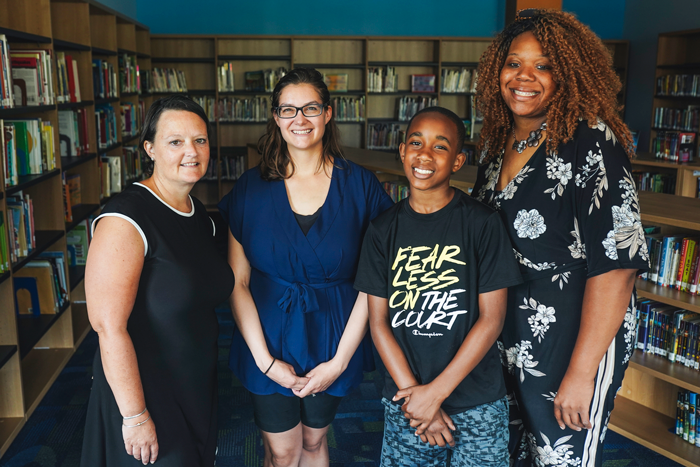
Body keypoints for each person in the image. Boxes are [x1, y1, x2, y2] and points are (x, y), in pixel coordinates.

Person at [472, 9, 649, 467]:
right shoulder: (496, 144)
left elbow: (619, 265)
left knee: (561, 458)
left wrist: (580, 373)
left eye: (543, 65)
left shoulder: (591, 140)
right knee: (508, 454)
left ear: (569, 73)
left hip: (573, 337)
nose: (523, 77)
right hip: (508, 332)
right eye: (513, 63)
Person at [218, 68, 393, 467]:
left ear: (328, 113)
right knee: (281, 451)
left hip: (334, 334)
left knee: (314, 443)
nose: (300, 119)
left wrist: (340, 362)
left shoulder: (362, 186)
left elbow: (373, 282)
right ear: (276, 118)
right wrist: (264, 361)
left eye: (310, 107)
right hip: (266, 334)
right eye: (288, 110)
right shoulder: (250, 187)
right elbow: (238, 282)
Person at [354, 107, 523, 467]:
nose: (424, 155)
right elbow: (378, 323)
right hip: (406, 398)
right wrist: (418, 399)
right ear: (401, 151)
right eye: (416, 142)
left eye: (440, 147)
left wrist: (436, 395)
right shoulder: (382, 230)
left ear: (459, 160)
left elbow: (492, 319)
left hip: (476, 398)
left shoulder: (482, 224)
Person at [81, 96, 234, 466]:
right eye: (175, 141)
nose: (191, 151)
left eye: (200, 140)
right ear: (149, 148)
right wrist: (135, 416)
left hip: (196, 383)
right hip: (145, 391)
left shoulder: (204, 218)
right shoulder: (126, 217)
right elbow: (108, 327)